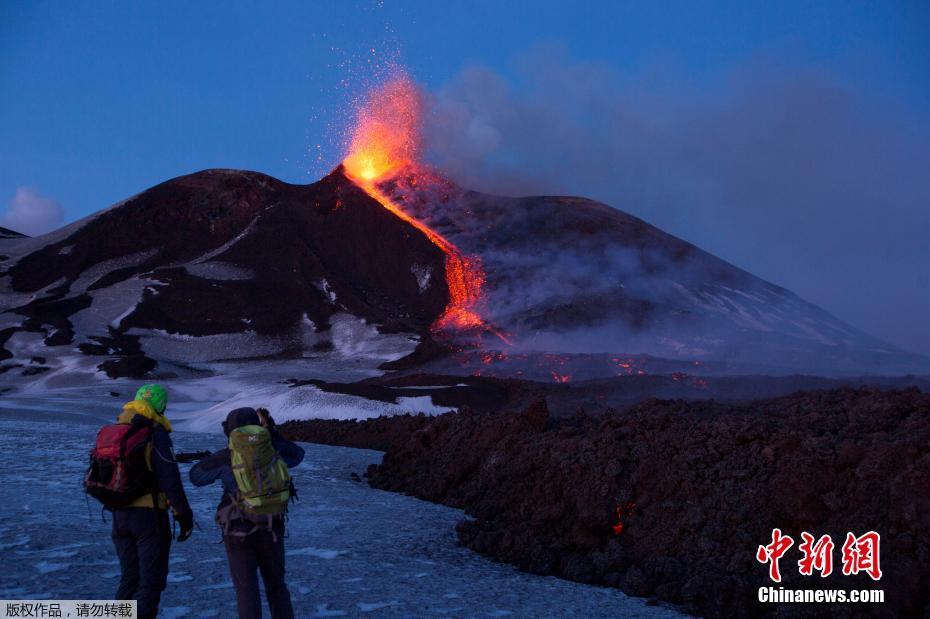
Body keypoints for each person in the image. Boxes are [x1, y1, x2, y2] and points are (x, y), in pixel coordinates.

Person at [190, 407, 305, 619]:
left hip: (238, 531)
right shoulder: (273, 449)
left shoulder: (226, 457)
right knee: (276, 586)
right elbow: (298, 455)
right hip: (272, 527)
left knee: (246, 591)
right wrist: (271, 434)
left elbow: (196, 476)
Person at [111, 384, 194, 619]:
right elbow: (170, 480)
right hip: (148, 518)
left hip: (119, 515)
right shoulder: (155, 434)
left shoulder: (119, 430)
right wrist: (184, 516)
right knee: (149, 583)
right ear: (161, 405)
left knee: (129, 579)